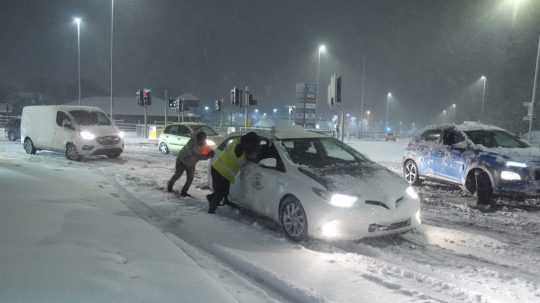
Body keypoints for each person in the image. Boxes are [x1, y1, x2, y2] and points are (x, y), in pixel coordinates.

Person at [206, 132, 260, 214]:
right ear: (250, 142)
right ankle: (211, 211)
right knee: (220, 193)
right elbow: (249, 156)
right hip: (220, 171)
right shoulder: (240, 148)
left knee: (224, 192)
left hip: (220, 170)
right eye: (255, 143)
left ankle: (210, 198)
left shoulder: (238, 141)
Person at [167, 131, 214, 197]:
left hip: (191, 164)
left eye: (204, 138)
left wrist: (210, 153)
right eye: (202, 138)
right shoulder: (192, 143)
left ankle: (184, 192)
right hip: (182, 161)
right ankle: (169, 186)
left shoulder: (203, 144)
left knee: (190, 179)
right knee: (177, 175)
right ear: (198, 137)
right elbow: (197, 155)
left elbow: (205, 153)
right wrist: (207, 155)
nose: (203, 140)